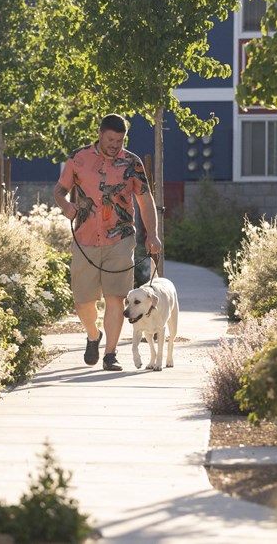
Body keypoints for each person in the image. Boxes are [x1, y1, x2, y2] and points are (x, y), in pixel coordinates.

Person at [53, 114, 163, 371]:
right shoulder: (78, 158)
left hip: (121, 239)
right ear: (100, 134)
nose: (115, 144)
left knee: (116, 297)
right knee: (83, 301)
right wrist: (65, 205)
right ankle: (94, 335)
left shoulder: (132, 163)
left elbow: (145, 201)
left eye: (120, 140)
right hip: (85, 238)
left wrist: (152, 234)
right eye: (111, 139)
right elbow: (59, 190)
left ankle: (110, 355)